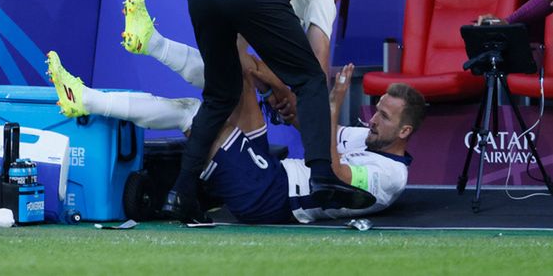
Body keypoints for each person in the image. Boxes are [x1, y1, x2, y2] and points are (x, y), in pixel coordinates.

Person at [45, 49, 425, 224]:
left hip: (271, 199)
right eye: (376, 110)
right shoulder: (369, 138)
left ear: (404, 132)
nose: (372, 119)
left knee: (193, 114)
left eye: (384, 117)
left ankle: (87, 100)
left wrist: (333, 102)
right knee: (237, 70)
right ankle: (149, 39)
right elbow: (315, 130)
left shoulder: (390, 176)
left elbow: (335, 174)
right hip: (272, 174)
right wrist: (276, 91)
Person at [136, 0, 363, 222]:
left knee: (220, 96)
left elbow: (241, 54)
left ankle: (181, 194)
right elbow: (316, 63)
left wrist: (273, 90)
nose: (329, 8)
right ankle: (322, 177)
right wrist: (297, 95)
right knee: (312, 79)